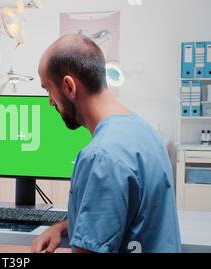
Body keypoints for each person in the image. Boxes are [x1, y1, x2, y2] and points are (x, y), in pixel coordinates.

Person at [32, 34, 181, 253]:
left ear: (69, 86)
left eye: (48, 90)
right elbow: (127, 215)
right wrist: (67, 226)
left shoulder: (101, 156)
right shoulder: (145, 132)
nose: (50, 102)